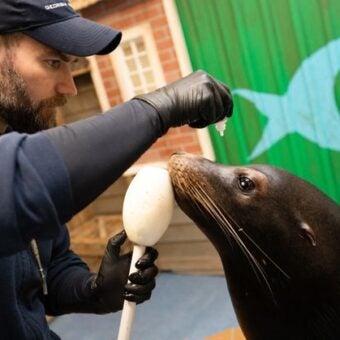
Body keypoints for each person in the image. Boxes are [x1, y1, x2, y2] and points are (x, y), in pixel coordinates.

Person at [0, 0, 233, 339]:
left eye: (70, 66)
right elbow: (15, 185)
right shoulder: (20, 168)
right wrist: (157, 110)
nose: (69, 87)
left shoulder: (19, 138)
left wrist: (91, 290)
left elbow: (45, 271)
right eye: (52, 62)